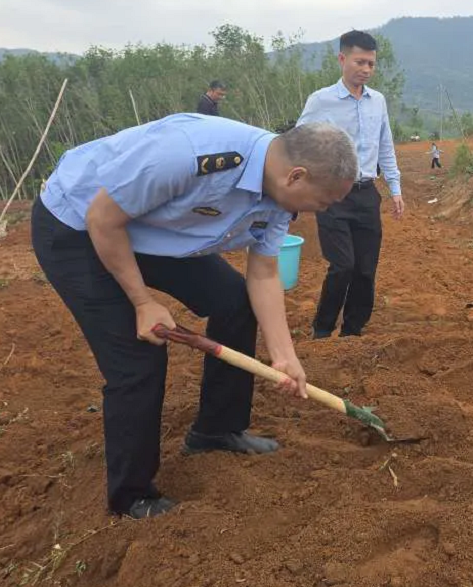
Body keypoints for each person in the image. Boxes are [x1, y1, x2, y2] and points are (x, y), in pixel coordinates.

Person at [31, 114, 357, 518]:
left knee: (236, 301)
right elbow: (103, 219)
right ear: (296, 176)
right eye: (323, 202)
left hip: (147, 229)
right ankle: (131, 495)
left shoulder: (279, 196)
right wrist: (141, 302)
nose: (320, 211)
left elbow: (265, 271)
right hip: (79, 225)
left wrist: (284, 354)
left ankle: (216, 429)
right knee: (139, 357)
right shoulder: (188, 154)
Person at [296, 30, 404, 340]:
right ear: (342, 59)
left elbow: (386, 146)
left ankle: (353, 331)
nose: (366, 70)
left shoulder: (377, 101)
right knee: (342, 265)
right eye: (360, 62)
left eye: (371, 64)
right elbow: (300, 142)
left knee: (365, 269)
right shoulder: (321, 100)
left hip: (367, 193)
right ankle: (322, 328)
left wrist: (395, 188)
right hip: (332, 196)